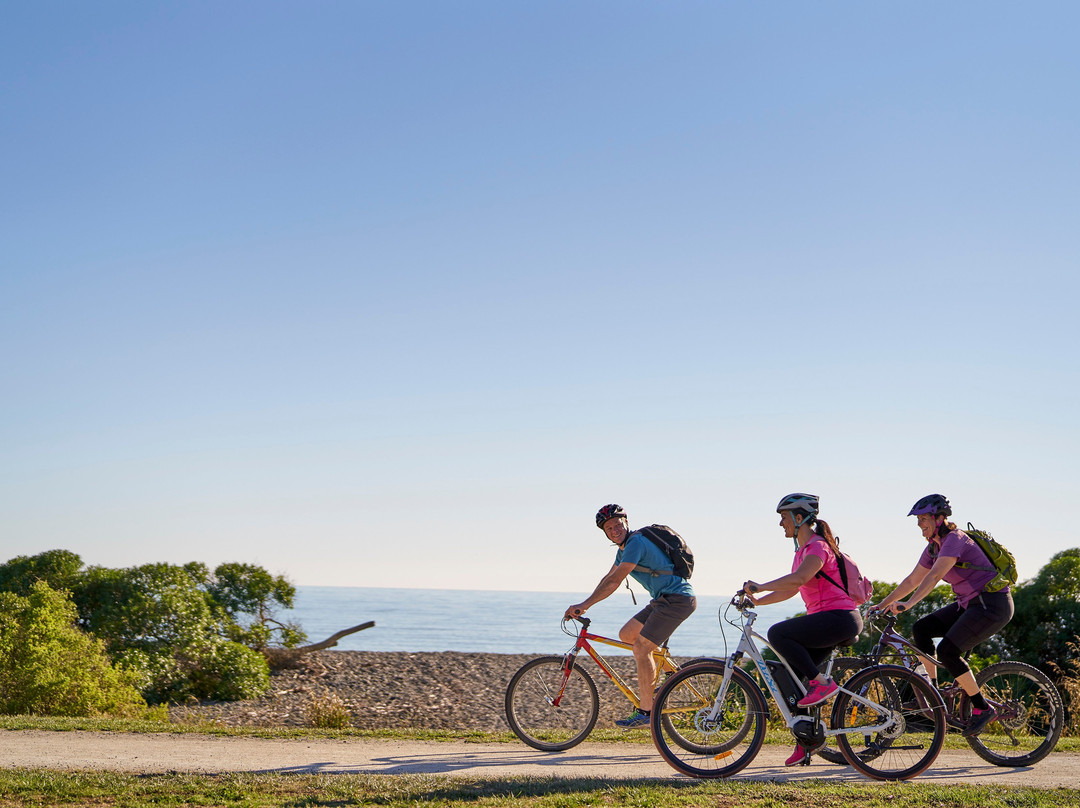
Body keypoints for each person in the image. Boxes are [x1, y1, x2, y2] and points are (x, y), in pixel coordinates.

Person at [871, 494, 1014, 738]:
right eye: (918, 519)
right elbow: (912, 579)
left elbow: (934, 576)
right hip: (969, 604)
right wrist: (883, 604)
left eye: (924, 518)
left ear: (940, 518)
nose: (920, 524)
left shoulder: (955, 539)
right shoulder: (933, 547)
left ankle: (982, 708)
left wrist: (909, 603)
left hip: (992, 604)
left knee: (948, 651)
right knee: (922, 629)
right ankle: (933, 693)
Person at [742, 493, 863, 767]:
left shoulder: (818, 547)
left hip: (840, 618)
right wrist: (759, 600)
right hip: (827, 621)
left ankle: (822, 683)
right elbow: (794, 588)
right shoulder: (802, 552)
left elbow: (800, 578)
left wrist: (760, 585)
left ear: (799, 519)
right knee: (793, 681)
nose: (781, 524)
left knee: (778, 634)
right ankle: (808, 743)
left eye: (783, 518)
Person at [564, 504, 697, 729]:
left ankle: (646, 711)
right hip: (662, 600)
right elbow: (608, 578)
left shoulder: (635, 542)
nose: (615, 530)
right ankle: (672, 674)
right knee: (627, 634)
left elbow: (615, 582)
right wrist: (585, 604)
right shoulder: (623, 550)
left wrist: (585, 605)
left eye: (618, 524)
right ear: (604, 532)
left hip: (677, 600)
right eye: (609, 528)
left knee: (642, 648)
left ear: (626, 522)